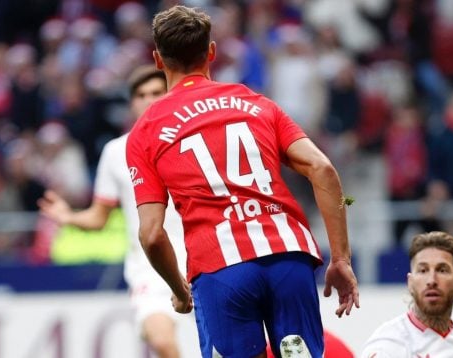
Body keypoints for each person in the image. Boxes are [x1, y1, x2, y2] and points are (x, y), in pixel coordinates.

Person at [126, 5, 360, 358]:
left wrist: (178, 288)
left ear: (158, 60)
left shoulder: (146, 129)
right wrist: (340, 257)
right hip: (288, 257)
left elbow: (152, 234)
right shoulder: (256, 102)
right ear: (211, 52)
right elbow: (323, 169)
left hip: (221, 268)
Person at [38, 65, 198, 358]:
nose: (149, 100)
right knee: (162, 342)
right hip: (150, 270)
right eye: (141, 94)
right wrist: (69, 217)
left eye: (157, 93)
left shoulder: (194, 139)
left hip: (202, 259)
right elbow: (99, 217)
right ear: (132, 102)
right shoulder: (116, 152)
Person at [360, 231, 453, 357]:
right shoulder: (388, 346)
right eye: (423, 270)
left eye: (442, 270)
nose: (432, 280)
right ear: (410, 282)